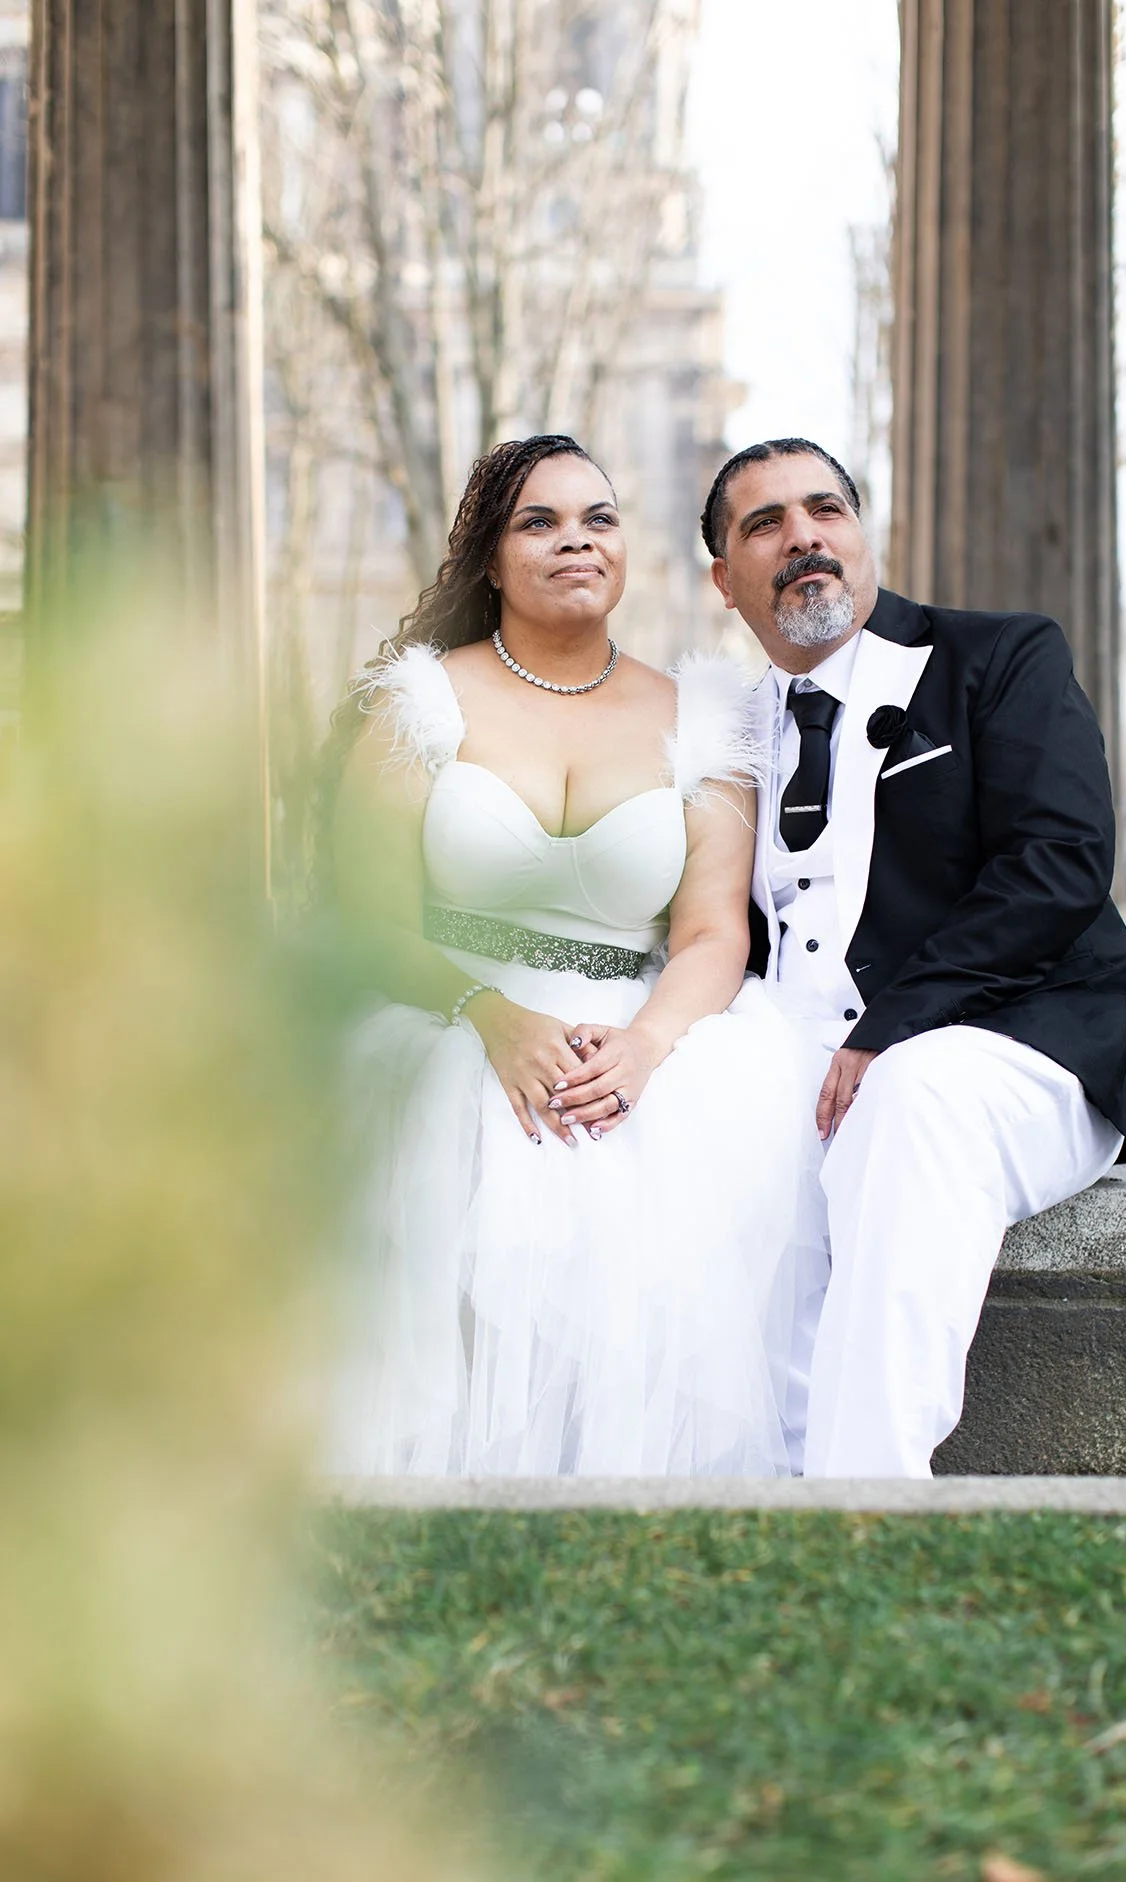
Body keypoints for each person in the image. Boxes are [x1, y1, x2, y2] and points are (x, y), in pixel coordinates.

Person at [326, 434, 816, 1477]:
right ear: (492, 559)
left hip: (632, 1031)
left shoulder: (704, 719)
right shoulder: (420, 703)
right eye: (539, 522)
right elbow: (369, 916)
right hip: (450, 1016)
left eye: (599, 519)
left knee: (647, 1159)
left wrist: (646, 1047)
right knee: (458, 1132)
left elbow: (713, 932)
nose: (576, 541)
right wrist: (487, 1014)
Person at [701, 437, 1126, 1480]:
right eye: (766, 524)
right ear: (724, 581)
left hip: (1015, 1038)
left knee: (911, 1099)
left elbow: (1059, 865)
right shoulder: (721, 733)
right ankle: (750, 1490)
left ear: (862, 532)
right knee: (699, 1113)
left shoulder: (998, 658)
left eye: (826, 509)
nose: (804, 536)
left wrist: (895, 1024)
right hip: (800, 1048)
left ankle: (862, 1506)